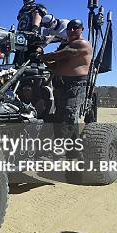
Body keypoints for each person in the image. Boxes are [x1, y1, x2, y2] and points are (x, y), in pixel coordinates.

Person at [38, 19, 92, 152]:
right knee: (59, 117)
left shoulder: (81, 44)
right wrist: (44, 60)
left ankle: (73, 154)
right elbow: (54, 65)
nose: (72, 30)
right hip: (61, 84)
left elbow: (65, 54)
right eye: (70, 28)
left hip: (75, 85)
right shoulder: (65, 45)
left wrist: (43, 56)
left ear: (82, 29)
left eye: (76, 28)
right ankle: (65, 149)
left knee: (69, 116)